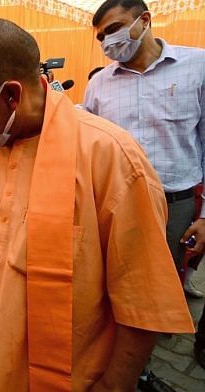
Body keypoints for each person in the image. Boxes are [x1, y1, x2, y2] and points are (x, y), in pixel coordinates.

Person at [0, 18, 194, 391]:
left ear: (12, 95)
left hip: (63, 377)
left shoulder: (109, 157)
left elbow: (142, 302)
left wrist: (114, 386)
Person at [83, 0, 205, 378]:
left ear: (144, 20)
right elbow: (85, 144)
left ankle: (137, 370)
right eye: (101, 36)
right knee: (107, 287)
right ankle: (108, 363)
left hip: (174, 207)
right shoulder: (99, 83)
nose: (108, 41)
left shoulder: (197, 68)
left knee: (154, 293)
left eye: (115, 29)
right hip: (112, 206)